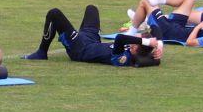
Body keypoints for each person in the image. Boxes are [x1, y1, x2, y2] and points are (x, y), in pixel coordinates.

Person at [24, 4, 163, 66]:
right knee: (91, 9)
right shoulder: (137, 51)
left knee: (54, 13)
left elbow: (120, 38)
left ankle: (42, 52)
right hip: (92, 41)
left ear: (136, 48)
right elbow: (156, 28)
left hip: (80, 50)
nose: (136, 38)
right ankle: (74, 35)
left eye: (138, 40)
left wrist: (145, 42)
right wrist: (159, 45)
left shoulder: (124, 58)